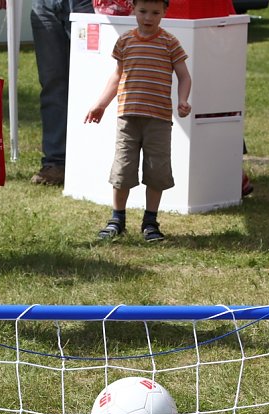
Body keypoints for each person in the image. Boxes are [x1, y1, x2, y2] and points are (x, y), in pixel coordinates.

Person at [84, 0, 190, 242]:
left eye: (155, 12)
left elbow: (184, 76)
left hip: (159, 120)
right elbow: (117, 76)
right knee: (122, 169)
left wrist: (183, 100)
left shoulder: (170, 42)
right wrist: (101, 104)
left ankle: (150, 222)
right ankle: (117, 220)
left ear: (165, 12)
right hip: (128, 118)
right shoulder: (125, 41)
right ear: (133, 9)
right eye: (143, 11)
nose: (148, 17)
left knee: (157, 171)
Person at [30, 0, 94, 186]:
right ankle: (56, 162)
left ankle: (92, 161)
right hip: (44, 5)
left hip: (86, 4)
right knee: (52, 84)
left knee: (92, 79)